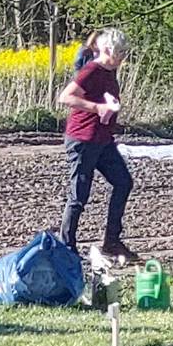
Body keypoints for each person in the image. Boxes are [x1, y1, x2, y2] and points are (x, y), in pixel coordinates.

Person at [57, 27, 134, 262]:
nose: (122, 57)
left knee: (123, 182)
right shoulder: (91, 70)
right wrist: (97, 108)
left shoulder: (110, 71)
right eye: (119, 52)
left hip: (102, 140)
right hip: (82, 140)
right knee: (79, 196)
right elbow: (65, 97)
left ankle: (112, 241)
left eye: (124, 53)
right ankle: (67, 247)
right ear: (107, 49)